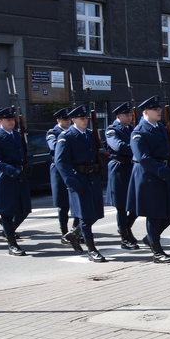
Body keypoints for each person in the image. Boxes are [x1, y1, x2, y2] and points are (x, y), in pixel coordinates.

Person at [127, 96, 170, 264]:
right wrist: (163, 170)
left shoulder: (159, 128)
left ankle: (152, 237)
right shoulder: (138, 132)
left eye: (159, 109)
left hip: (163, 173)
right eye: (155, 109)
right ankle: (157, 250)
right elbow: (143, 158)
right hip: (149, 175)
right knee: (154, 213)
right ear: (145, 112)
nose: (159, 111)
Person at [54, 105, 107, 262]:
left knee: (97, 212)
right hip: (79, 178)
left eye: (86, 118)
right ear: (73, 120)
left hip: (92, 178)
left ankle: (74, 234)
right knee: (85, 216)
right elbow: (61, 162)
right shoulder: (66, 137)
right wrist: (72, 182)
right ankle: (91, 249)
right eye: (82, 118)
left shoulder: (90, 135)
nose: (85, 121)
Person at [0, 107, 32, 256]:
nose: (11, 122)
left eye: (12, 119)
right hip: (5, 177)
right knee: (7, 212)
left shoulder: (16, 135)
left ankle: (7, 229)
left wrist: (26, 167)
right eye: (8, 120)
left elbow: (22, 154)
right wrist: (13, 170)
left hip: (19, 176)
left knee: (24, 209)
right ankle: (12, 244)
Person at [104, 102, 140, 250]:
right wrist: (137, 147)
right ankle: (124, 237)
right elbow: (117, 146)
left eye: (130, 114)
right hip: (119, 168)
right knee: (121, 205)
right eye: (126, 115)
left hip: (131, 167)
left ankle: (126, 228)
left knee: (136, 204)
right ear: (118, 116)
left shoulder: (131, 128)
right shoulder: (112, 130)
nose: (129, 117)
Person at [46, 108, 74, 242]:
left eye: (69, 119)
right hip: (59, 170)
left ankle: (75, 232)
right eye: (65, 119)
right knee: (63, 204)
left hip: (72, 168)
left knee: (76, 202)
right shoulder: (53, 133)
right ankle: (64, 232)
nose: (68, 121)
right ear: (58, 120)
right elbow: (54, 146)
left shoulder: (73, 131)